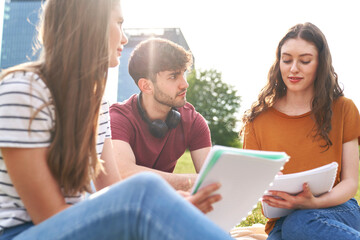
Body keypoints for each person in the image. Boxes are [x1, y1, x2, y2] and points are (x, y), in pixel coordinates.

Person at [0, 0, 234, 239]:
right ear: (91, 25)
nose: (124, 38)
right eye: (119, 24)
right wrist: (150, 204)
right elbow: (50, 217)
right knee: (146, 189)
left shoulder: (95, 101)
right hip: (25, 232)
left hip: (77, 222)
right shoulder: (23, 91)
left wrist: (172, 204)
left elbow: (112, 189)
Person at [241, 22, 360, 240]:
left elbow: (351, 182)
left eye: (304, 61)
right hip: (283, 222)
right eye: (286, 60)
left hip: (337, 209)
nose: (293, 68)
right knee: (294, 225)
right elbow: (251, 187)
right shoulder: (257, 120)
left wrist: (314, 203)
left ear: (320, 63)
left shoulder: (344, 108)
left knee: (300, 223)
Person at [110, 38, 212, 191]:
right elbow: (124, 174)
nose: (185, 84)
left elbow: (213, 179)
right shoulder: (117, 118)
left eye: (183, 74)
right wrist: (193, 182)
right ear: (146, 86)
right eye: (173, 76)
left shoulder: (194, 121)